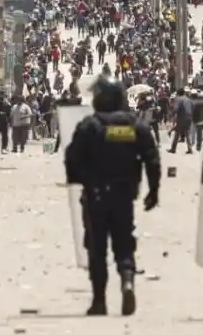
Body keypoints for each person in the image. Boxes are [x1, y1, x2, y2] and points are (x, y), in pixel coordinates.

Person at [65, 75, 161, 316]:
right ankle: (127, 280)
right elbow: (152, 158)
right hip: (124, 194)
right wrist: (154, 190)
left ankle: (99, 301)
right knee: (124, 241)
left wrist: (82, 182)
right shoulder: (135, 126)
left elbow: (72, 159)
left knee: (97, 247)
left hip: (96, 195)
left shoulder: (90, 126)